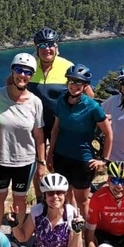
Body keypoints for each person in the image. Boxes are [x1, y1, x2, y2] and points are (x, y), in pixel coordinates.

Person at [26, 27, 94, 197]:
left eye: (50, 45)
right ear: (36, 49)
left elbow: (88, 95)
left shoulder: (67, 66)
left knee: (62, 166)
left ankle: (66, 205)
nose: (47, 49)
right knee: (38, 166)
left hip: (62, 125)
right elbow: (11, 83)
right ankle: (41, 201)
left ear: (57, 47)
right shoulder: (29, 65)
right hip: (35, 126)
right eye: (42, 45)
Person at [47, 63, 112, 221]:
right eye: (71, 81)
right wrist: (50, 155)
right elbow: (55, 129)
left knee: (82, 200)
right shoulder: (61, 101)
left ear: (85, 86)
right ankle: (69, 227)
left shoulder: (92, 106)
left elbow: (109, 133)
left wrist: (104, 159)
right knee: (65, 197)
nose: (74, 86)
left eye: (78, 83)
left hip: (82, 159)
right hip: (61, 156)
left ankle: (86, 233)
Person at [0, 53, 46, 230]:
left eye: (28, 72)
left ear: (31, 75)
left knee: (20, 199)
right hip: (0, 159)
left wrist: (41, 162)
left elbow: (39, 135)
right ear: (12, 71)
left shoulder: (35, 102)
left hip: (25, 161)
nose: (23, 75)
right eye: (19, 70)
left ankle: (18, 233)